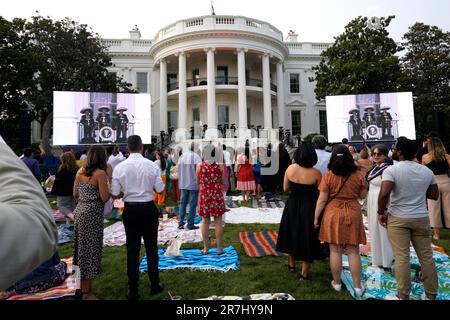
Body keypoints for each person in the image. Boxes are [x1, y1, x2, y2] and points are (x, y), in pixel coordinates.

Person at [378, 137, 439, 300]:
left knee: (401, 257)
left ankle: (403, 295)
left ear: (399, 152)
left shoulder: (391, 170)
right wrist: (416, 190)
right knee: (426, 257)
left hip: (398, 218)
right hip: (421, 217)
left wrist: (380, 212)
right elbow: (434, 195)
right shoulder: (427, 171)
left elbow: (384, 194)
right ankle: (431, 295)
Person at [0, 135, 58, 291]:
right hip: (24, 189)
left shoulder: (20, 162)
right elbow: (40, 225)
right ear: (31, 154)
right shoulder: (30, 163)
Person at [111, 135, 165, 300]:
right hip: (148, 208)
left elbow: (114, 193)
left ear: (128, 148)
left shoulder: (120, 167)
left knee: (132, 250)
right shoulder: (151, 165)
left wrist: (126, 190)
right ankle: (154, 284)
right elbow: (160, 190)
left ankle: (133, 289)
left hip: (131, 210)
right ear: (141, 147)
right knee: (151, 248)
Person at [314, 145, 368, 297]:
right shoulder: (358, 175)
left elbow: (322, 199)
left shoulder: (329, 175)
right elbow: (363, 195)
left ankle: (336, 283)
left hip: (333, 212)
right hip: (353, 210)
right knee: (353, 251)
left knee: (335, 250)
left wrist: (316, 217)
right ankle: (357, 286)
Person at [276, 144, 325, 280]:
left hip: (292, 204)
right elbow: (321, 192)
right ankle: (304, 273)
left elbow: (285, 188)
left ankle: (291, 265)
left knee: (291, 232)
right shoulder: (316, 173)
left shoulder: (291, 169)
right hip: (309, 207)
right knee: (307, 237)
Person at [73, 145, 110, 300]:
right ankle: (87, 293)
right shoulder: (100, 174)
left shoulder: (79, 172)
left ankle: (79, 288)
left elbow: (74, 193)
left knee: (79, 250)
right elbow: (104, 197)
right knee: (90, 251)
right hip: (92, 214)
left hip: (80, 210)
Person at [365, 144, 394, 268]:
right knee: (373, 230)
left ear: (385, 155)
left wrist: (386, 208)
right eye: (374, 154)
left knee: (382, 231)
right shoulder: (373, 168)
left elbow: (389, 191)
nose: (376, 156)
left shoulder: (387, 169)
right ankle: (377, 259)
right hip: (372, 200)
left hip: (381, 201)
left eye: (379, 154)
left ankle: (386, 260)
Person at [197, 144, 226, 255]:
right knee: (218, 222)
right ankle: (219, 248)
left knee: (205, 221)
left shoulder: (200, 165)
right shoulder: (220, 166)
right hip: (216, 194)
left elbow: (197, 181)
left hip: (205, 195)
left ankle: (206, 248)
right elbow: (223, 182)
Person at [421, 137, 450, 241]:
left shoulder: (425, 157)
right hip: (447, 183)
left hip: (432, 184)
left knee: (433, 209)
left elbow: (423, 173)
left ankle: (436, 234)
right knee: (449, 208)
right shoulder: (447, 157)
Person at [177, 142, 202, 230]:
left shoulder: (182, 157)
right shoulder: (196, 157)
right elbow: (199, 170)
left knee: (183, 203)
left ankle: (180, 222)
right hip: (193, 183)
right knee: (192, 204)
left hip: (183, 182)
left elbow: (178, 169)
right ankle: (190, 223)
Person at [51, 151, 78, 224]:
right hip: (73, 191)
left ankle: (73, 218)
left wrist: (54, 179)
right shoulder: (76, 169)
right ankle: (68, 222)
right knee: (71, 206)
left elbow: (59, 181)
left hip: (63, 192)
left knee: (61, 207)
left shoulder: (62, 169)